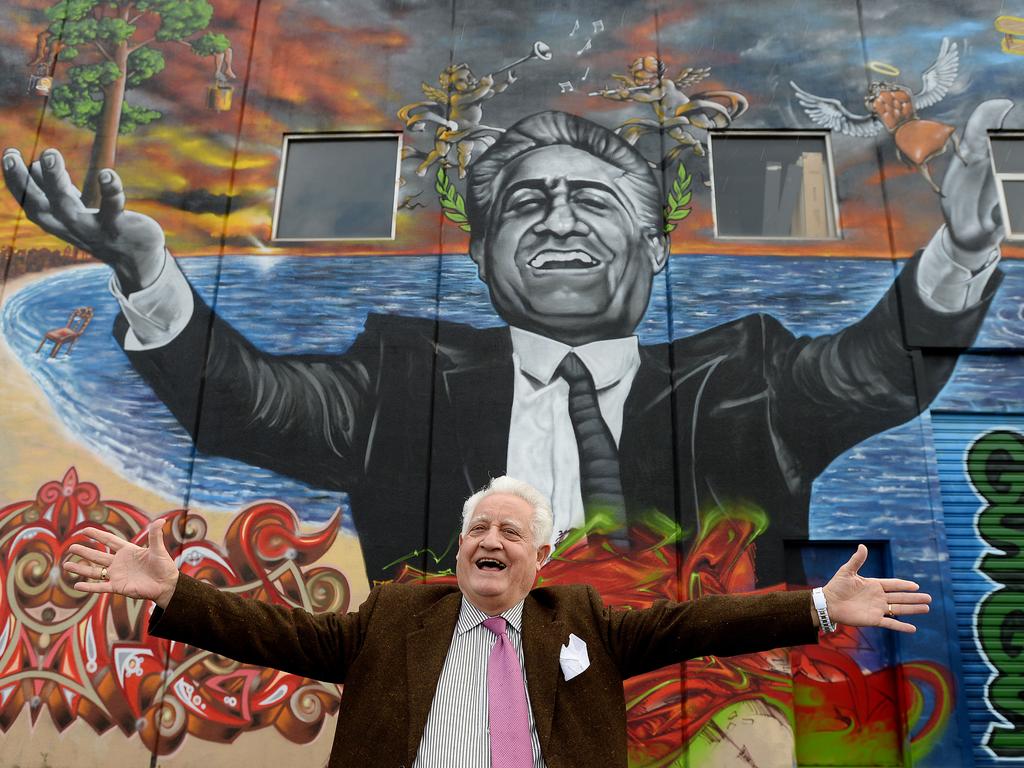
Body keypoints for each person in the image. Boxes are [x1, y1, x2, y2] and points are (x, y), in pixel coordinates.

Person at [2, 101, 1010, 584]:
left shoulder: (745, 379)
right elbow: (243, 400)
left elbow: (874, 373)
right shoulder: (401, 378)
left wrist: (960, 254)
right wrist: (144, 272)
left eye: (591, 200)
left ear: (653, 251)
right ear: (485, 259)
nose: (559, 219)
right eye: (527, 204)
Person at [62, 475, 930, 768]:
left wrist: (817, 606)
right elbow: (286, 638)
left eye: (509, 531)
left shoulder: (579, 616)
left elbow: (696, 623)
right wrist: (173, 592)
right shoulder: (400, 613)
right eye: (478, 527)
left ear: (537, 559)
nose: (489, 539)